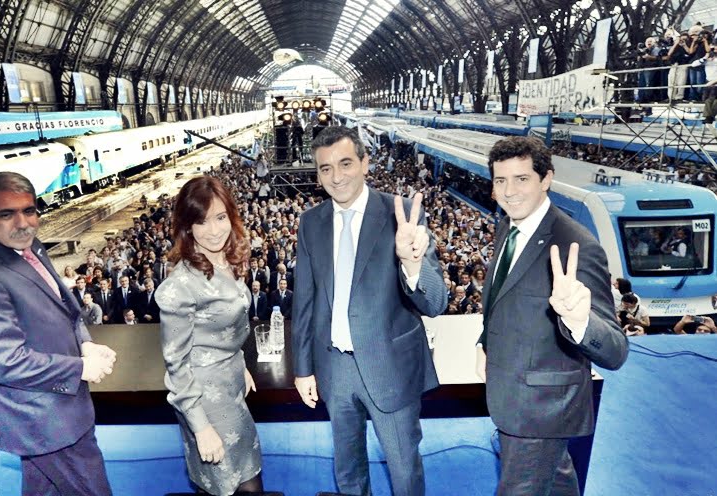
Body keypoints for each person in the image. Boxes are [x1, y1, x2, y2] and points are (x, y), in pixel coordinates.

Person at [292, 125, 449, 496]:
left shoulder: (402, 215)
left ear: (365, 163)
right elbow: (305, 300)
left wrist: (412, 265)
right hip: (335, 368)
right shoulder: (310, 223)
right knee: (348, 470)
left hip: (390, 364)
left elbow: (436, 302)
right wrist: (303, 369)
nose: (336, 176)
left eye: (346, 163)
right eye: (325, 168)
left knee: (403, 470)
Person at [0, 171, 116, 496]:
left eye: (29, 210)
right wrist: (81, 367)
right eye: (6, 214)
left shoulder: (28, 247)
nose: (23, 223)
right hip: (43, 419)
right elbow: (7, 362)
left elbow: (65, 307)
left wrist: (86, 345)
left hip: (63, 408)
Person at [474, 137, 628, 496]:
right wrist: (486, 341)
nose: (509, 191)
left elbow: (616, 350)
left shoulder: (577, 245)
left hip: (541, 409)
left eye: (522, 179)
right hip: (514, 391)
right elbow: (502, 297)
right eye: (500, 181)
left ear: (546, 180)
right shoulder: (509, 226)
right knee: (557, 480)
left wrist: (578, 320)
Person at [156, 176, 263, 495]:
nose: (214, 230)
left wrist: (239, 362)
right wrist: (200, 428)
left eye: (220, 217)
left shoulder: (227, 261)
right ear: (187, 227)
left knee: (245, 473)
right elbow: (176, 364)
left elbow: (224, 329)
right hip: (202, 398)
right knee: (229, 484)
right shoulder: (179, 288)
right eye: (201, 222)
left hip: (231, 388)